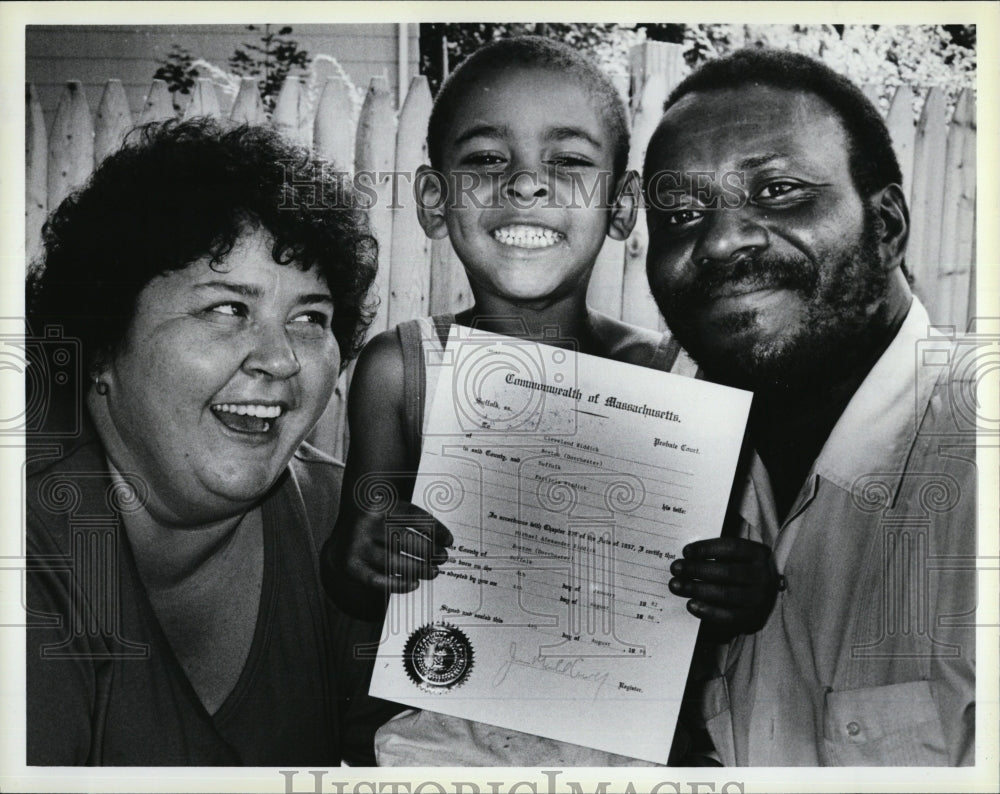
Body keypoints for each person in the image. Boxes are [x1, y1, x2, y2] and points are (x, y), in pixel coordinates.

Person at [321, 36, 778, 766]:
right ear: (434, 203)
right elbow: (349, 574)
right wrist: (366, 552)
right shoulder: (401, 371)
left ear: (623, 207)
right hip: (434, 749)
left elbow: (702, 606)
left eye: (567, 161)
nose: (527, 186)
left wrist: (743, 591)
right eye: (485, 160)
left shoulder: (685, 382)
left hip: (630, 752)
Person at [644, 48, 976, 766]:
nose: (722, 240)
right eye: (679, 214)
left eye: (778, 190)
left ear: (886, 226)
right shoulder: (663, 471)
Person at [25, 119, 377, 765]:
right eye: (225, 309)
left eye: (309, 318)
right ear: (102, 341)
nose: (279, 359)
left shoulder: (342, 524)